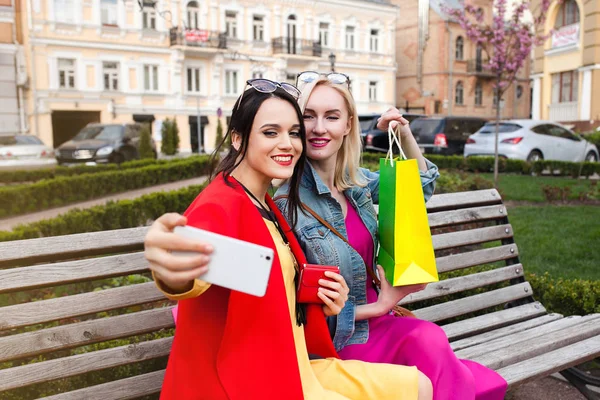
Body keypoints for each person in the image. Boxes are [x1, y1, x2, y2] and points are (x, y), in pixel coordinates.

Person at [146, 79, 432, 400]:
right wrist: (169, 267)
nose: (288, 144)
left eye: (294, 133)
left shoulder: (264, 203)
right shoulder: (220, 205)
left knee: (419, 386)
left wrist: (321, 302)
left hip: (297, 366)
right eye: (271, 133)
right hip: (255, 380)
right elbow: (191, 272)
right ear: (238, 139)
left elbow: (260, 288)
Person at [273, 73, 507, 400]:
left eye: (332, 116)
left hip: (381, 323)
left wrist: (403, 131)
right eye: (308, 116)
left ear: (349, 125)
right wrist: (381, 304)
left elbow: (421, 185)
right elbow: (295, 310)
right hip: (339, 340)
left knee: (430, 339)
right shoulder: (288, 205)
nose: (319, 128)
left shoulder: (355, 184)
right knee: (428, 351)